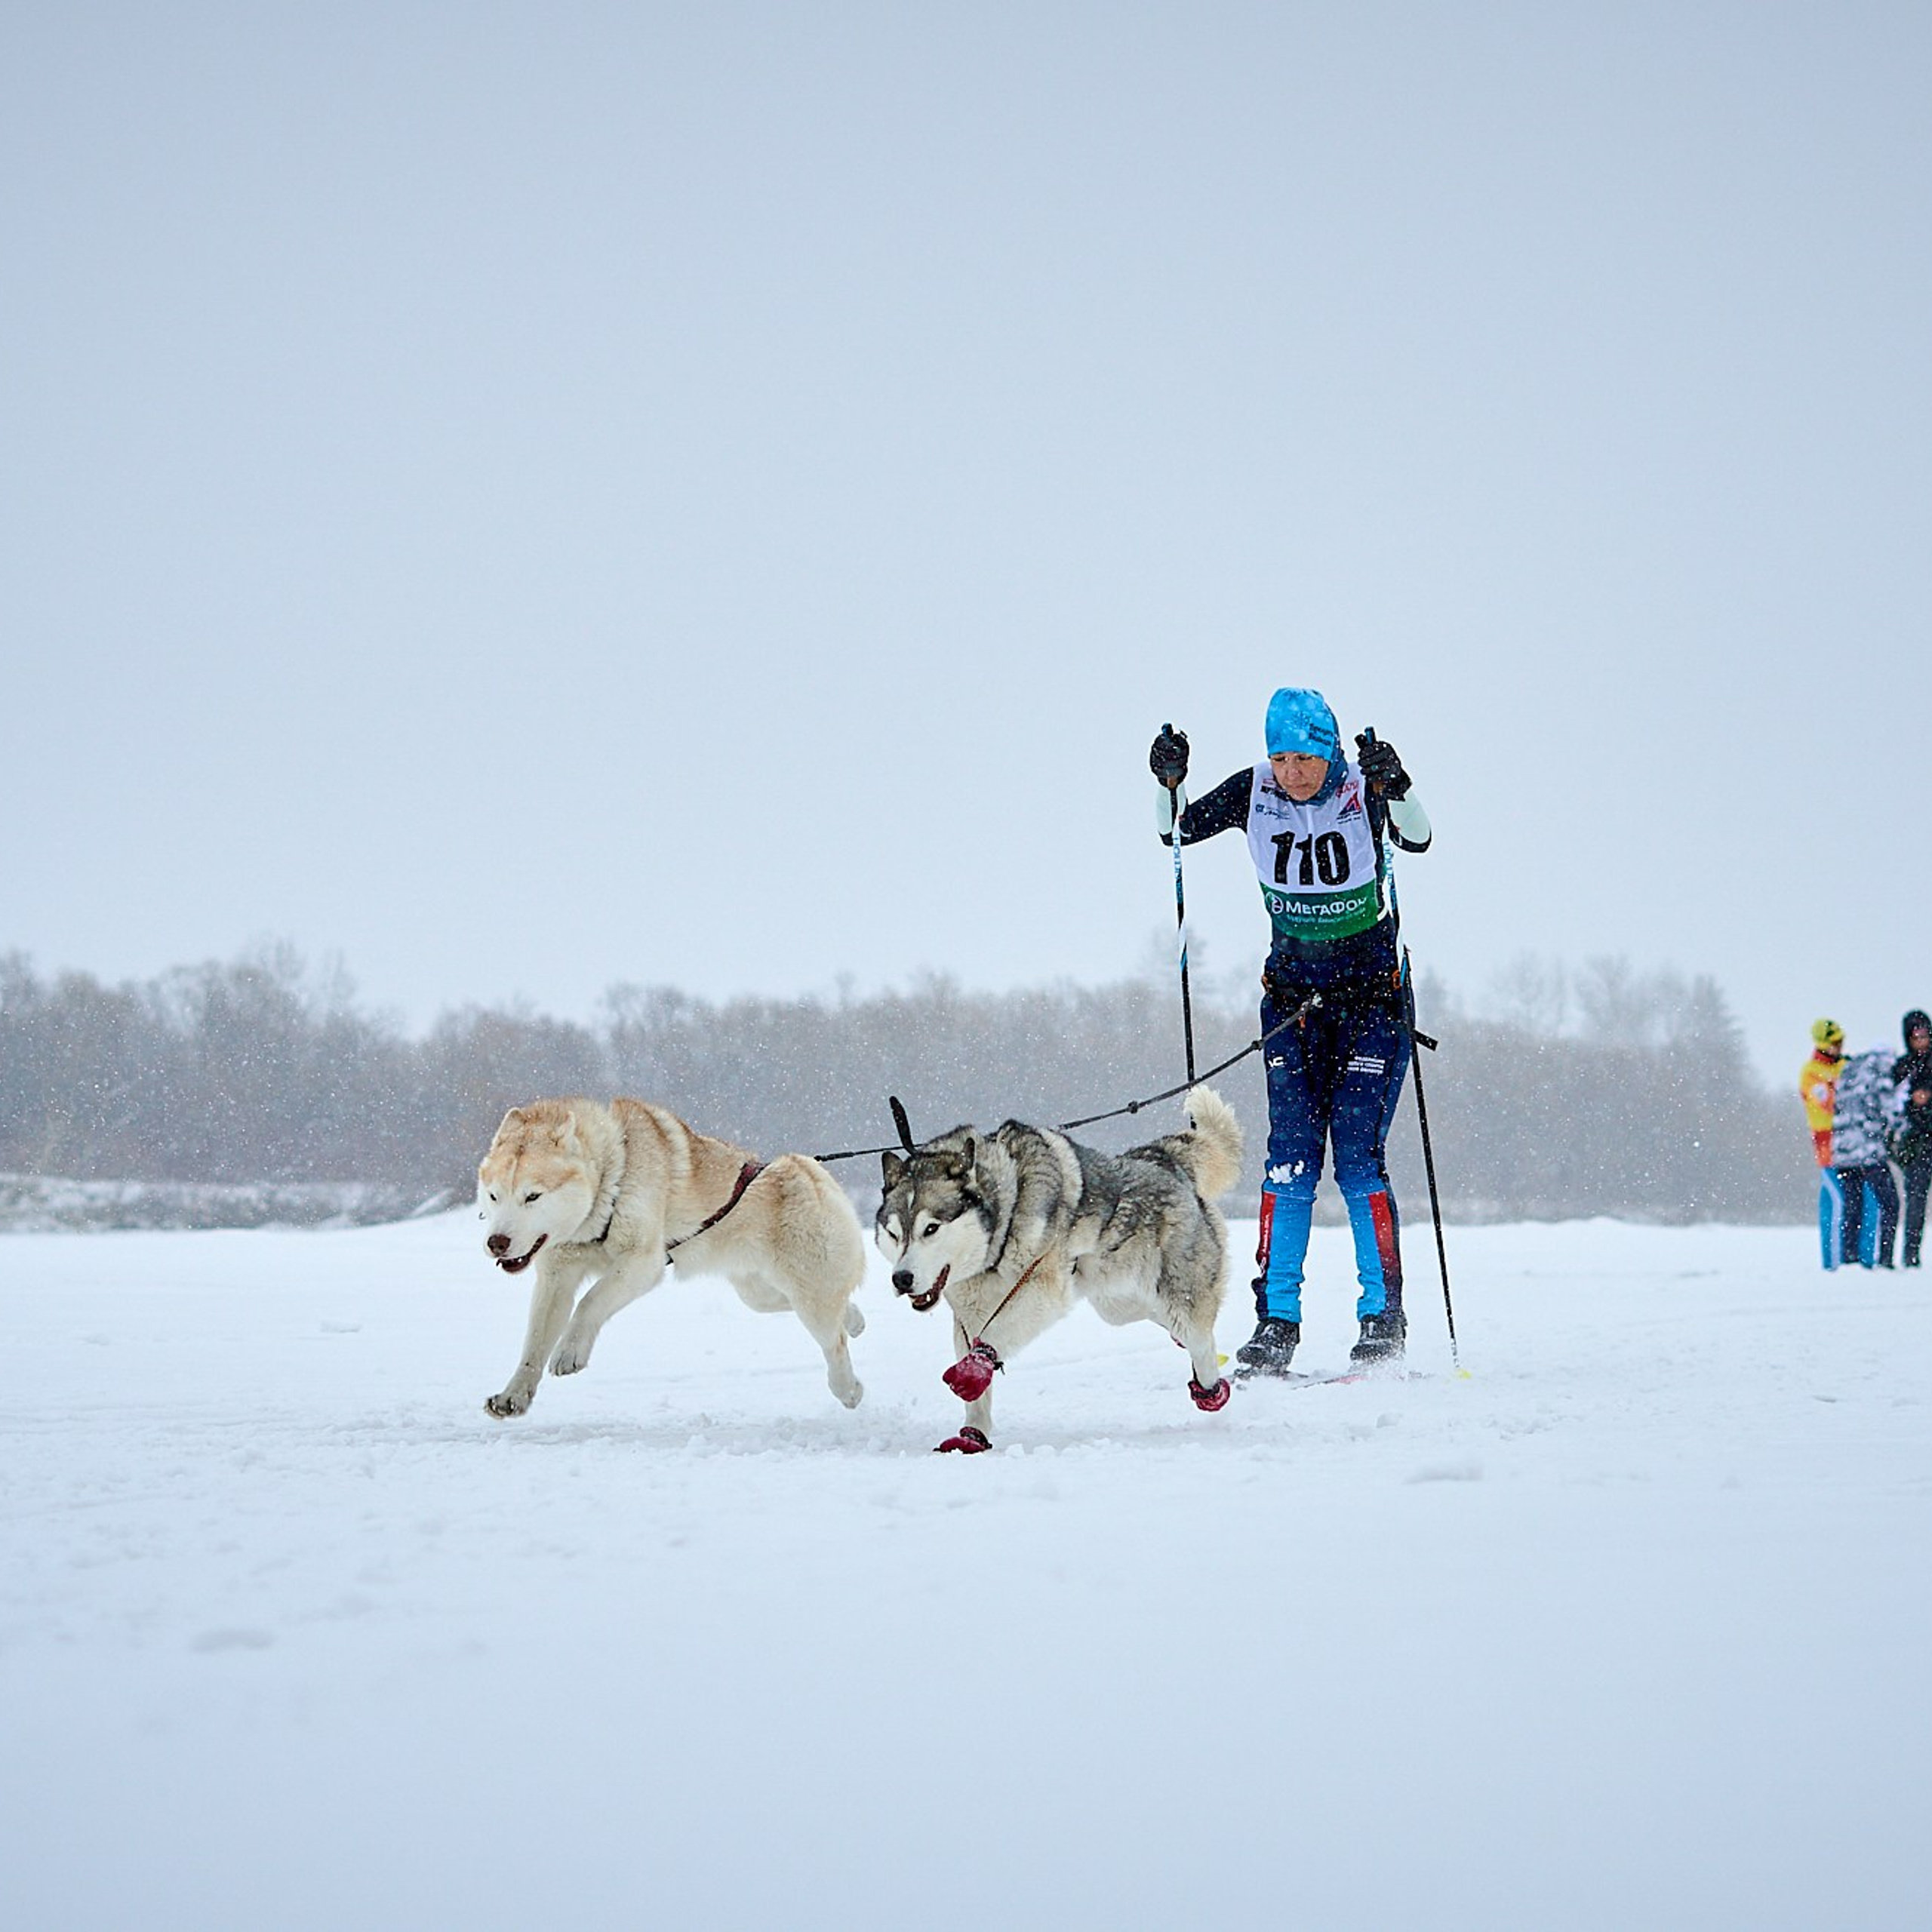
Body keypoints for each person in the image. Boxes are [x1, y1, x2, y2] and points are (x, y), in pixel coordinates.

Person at [1149, 688, 1431, 1371]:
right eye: (1280, 757)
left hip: (1370, 1004)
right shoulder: (1255, 792)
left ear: (1329, 749)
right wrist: (1168, 782)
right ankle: (1276, 1321)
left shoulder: (1364, 787)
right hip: (1294, 1005)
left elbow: (1418, 837)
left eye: (1304, 757)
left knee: (1359, 1154)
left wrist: (1400, 785)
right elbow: (1176, 830)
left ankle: (1382, 1317)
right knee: (1290, 1159)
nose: (1292, 772)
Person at [1831, 1041, 1902, 1268]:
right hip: (1868, 1153)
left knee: (1853, 1207)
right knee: (1890, 1204)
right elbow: (1890, 1110)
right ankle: (1885, 1260)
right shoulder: (1880, 1068)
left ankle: (1849, 1259)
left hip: (1843, 1154)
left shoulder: (1850, 1070)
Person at [1799, 1018, 1847, 1270]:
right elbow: (1827, 1101)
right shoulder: (1811, 1072)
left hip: (1850, 1143)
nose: (1840, 1046)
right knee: (1838, 1202)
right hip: (1826, 1144)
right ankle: (1833, 1264)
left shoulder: (1843, 1066)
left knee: (1837, 1200)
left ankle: (1847, 1260)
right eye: (1835, 1042)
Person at [1890, 1008, 1932, 1267]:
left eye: (1925, 1035)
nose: (1921, 1040)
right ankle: (1910, 1255)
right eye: (1916, 1036)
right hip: (1916, 1143)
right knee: (1916, 1198)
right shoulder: (1902, 1067)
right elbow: (1891, 1102)